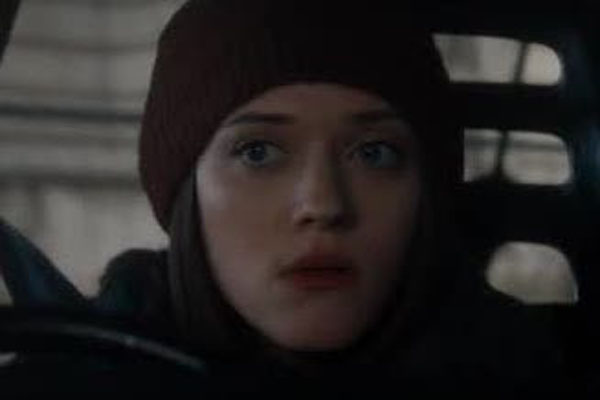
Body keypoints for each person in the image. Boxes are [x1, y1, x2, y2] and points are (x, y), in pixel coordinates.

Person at [93, 0, 568, 396]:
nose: (323, 205)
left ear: (426, 189)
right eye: (258, 153)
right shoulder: (82, 374)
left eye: (375, 154)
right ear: (188, 190)